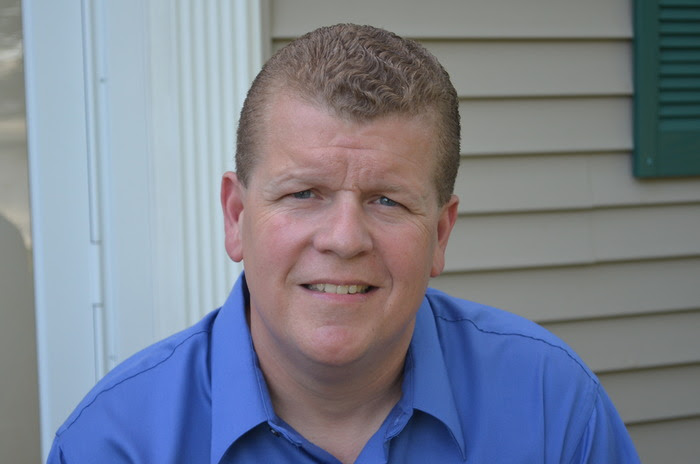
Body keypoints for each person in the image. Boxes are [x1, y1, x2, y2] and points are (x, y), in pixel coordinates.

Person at [48, 24, 640, 463]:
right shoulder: (114, 443)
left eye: (387, 200)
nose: (344, 238)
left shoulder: (552, 405)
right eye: (304, 193)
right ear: (236, 216)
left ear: (440, 233)